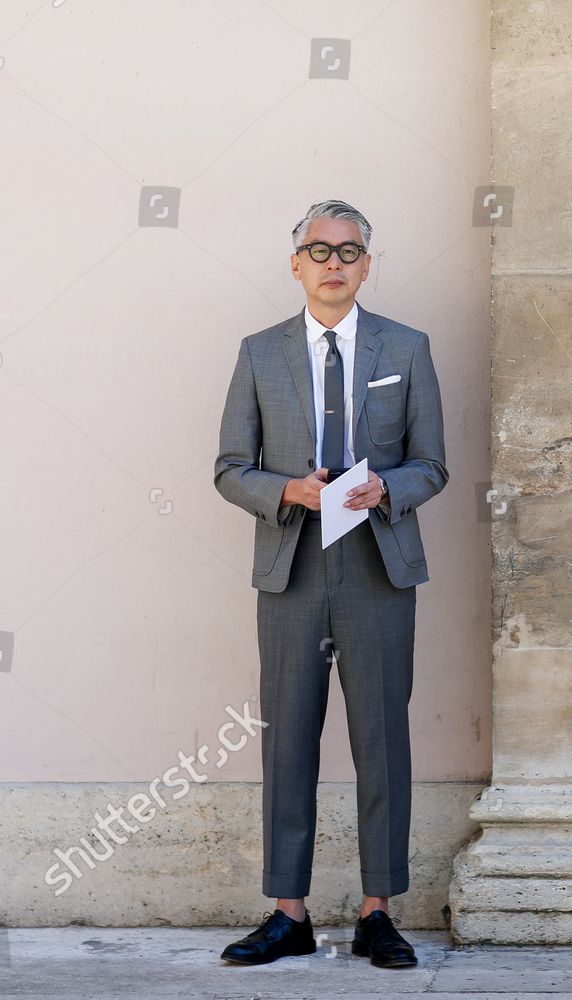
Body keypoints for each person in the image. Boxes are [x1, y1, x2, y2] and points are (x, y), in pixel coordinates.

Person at [213, 199, 448, 969]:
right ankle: (289, 912)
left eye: (348, 252)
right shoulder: (259, 353)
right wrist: (291, 492)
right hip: (294, 564)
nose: (334, 263)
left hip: (378, 567)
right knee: (288, 739)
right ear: (296, 265)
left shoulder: (405, 348)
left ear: (367, 265)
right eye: (319, 250)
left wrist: (389, 488)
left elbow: (432, 465)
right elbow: (228, 469)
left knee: (381, 737)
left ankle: (380, 911)